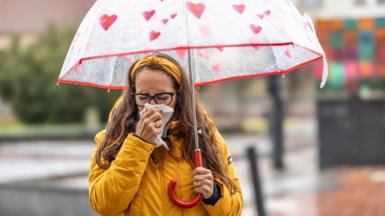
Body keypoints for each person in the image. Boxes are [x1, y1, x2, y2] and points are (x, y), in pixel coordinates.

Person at [88, 52, 243, 216]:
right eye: (143, 96)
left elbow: (234, 210)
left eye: (162, 96)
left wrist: (214, 194)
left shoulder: (205, 137)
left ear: (179, 95)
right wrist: (139, 144)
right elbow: (104, 205)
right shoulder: (112, 139)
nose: (152, 105)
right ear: (132, 96)